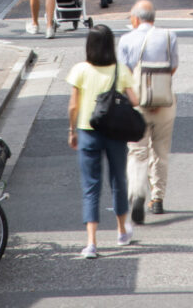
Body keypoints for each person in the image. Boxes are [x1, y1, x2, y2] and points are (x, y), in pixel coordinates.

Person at [66, 26, 138, 258]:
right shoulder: (120, 70)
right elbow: (135, 100)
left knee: (91, 186)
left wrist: (72, 131)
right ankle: (121, 231)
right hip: (116, 132)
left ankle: (92, 242)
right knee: (118, 179)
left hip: (87, 131)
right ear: (110, 45)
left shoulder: (80, 70)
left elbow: (73, 106)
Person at [118, 0, 179, 223]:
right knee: (161, 151)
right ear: (153, 17)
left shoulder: (126, 39)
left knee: (137, 151)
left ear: (135, 18)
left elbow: (123, 74)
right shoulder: (168, 36)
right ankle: (158, 198)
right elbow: (173, 67)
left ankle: (137, 192)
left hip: (137, 103)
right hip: (164, 101)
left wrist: (140, 93)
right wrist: (157, 90)